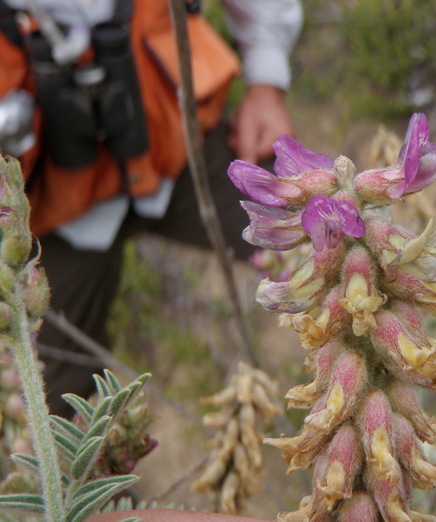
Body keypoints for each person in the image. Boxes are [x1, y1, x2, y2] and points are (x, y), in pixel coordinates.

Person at [0, 0, 303, 416]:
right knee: (41, 408)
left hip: (181, 148)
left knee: (328, 237)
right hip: (49, 205)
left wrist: (266, 82)